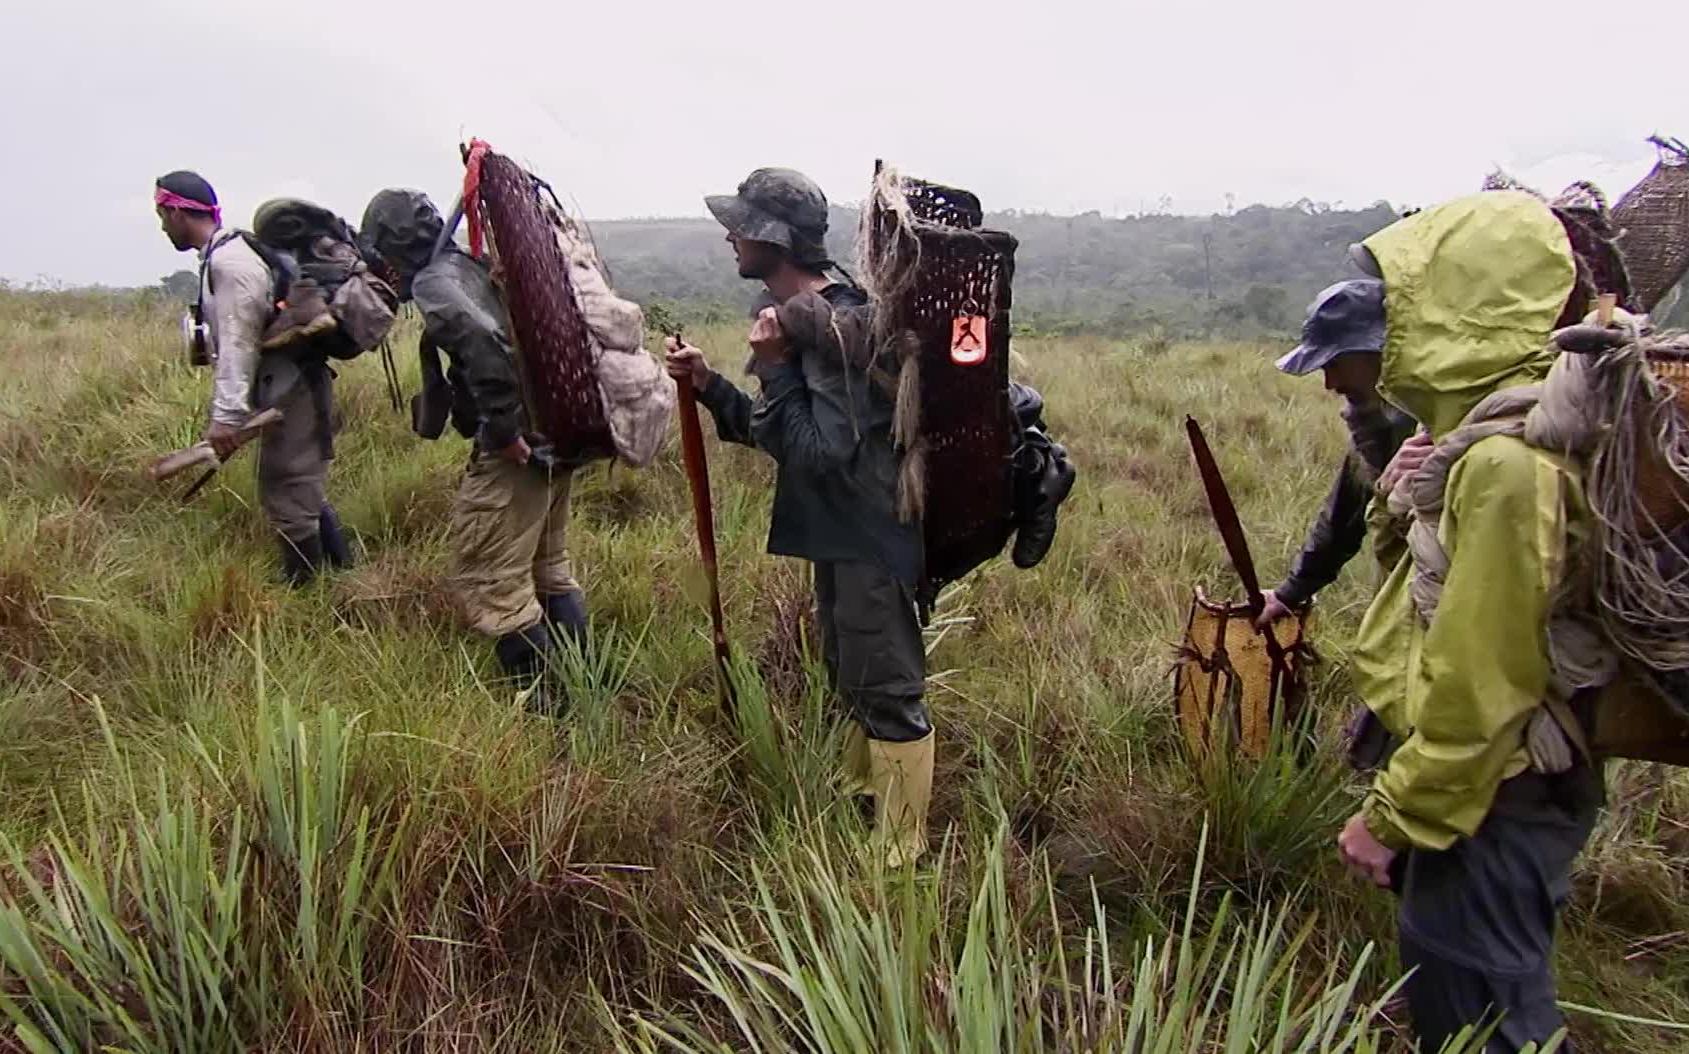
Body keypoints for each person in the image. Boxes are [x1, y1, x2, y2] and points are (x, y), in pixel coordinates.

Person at [1332, 191, 1607, 1052]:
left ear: (1458, 304)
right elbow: (1412, 598)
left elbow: (1482, 677)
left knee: (1485, 1018)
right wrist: (1396, 495)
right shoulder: (1474, 439)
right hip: (1494, 787)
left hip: (1497, 789)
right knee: (1476, 987)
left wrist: (1393, 816)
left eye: (1409, 296)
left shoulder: (1504, 465)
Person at [663, 168, 933, 866]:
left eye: (742, 227)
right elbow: (775, 432)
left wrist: (777, 369)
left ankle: (900, 852)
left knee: (887, 683)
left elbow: (823, 454)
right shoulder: (803, 318)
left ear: (774, 241)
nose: (730, 236)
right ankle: (861, 797)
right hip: (841, 535)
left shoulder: (831, 325)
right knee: (850, 670)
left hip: (869, 534)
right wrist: (709, 385)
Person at [358, 188, 587, 710]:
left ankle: (554, 716)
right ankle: (585, 687)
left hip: (520, 446)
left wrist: (504, 432)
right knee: (547, 566)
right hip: (552, 431)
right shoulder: (472, 264)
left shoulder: (437, 283)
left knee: (490, 579)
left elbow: (480, 339)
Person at [154, 170, 351, 584]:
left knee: (288, 486)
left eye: (161, 214)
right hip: (281, 384)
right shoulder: (223, 256)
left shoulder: (230, 263)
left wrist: (226, 415)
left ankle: (306, 591)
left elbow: (238, 343)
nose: (161, 225)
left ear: (176, 212)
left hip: (290, 387)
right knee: (299, 482)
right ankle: (344, 572)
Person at [1256, 279, 1423, 628]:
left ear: (1380, 351)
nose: (1330, 384)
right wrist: (1289, 593)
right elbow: (1341, 520)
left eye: (1335, 363)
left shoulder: (1444, 426)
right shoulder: (1371, 428)